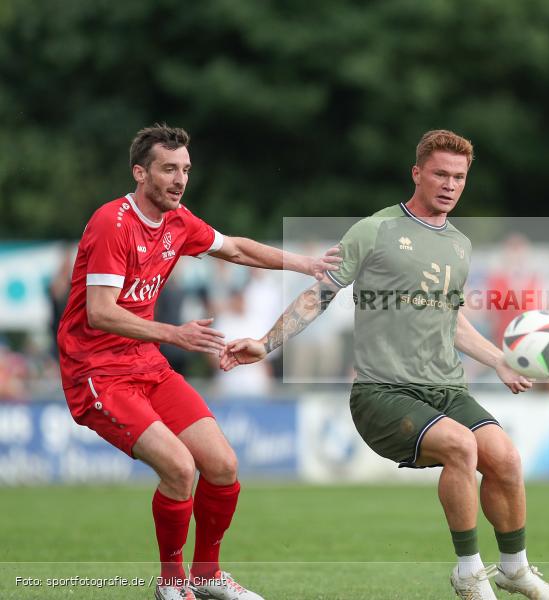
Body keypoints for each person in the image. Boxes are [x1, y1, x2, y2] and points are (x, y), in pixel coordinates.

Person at [221, 130, 549, 600]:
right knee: (461, 448)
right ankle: (469, 572)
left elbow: (451, 319)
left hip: (445, 389)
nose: (450, 184)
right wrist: (266, 344)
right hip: (382, 393)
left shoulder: (460, 245)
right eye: (441, 174)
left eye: (459, 177)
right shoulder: (375, 230)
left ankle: (515, 569)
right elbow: (318, 294)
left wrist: (501, 361)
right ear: (417, 173)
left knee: (505, 460)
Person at [56, 124, 340, 600]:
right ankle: (172, 585)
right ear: (139, 172)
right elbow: (100, 312)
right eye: (168, 169)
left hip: (146, 364)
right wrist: (175, 334)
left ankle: (207, 577)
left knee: (223, 465)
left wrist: (304, 264)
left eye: (185, 169)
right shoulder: (112, 222)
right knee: (180, 469)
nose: (179, 179)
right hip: (97, 373)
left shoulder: (178, 221)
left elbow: (236, 247)